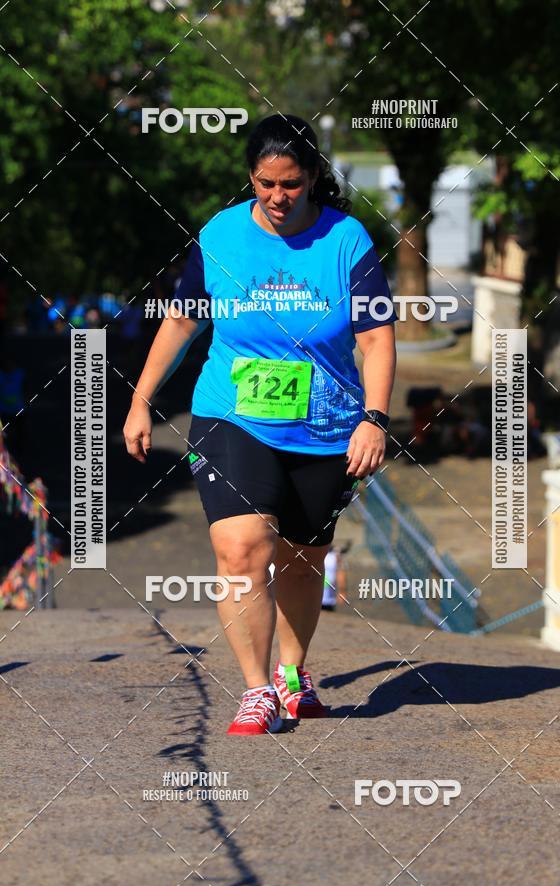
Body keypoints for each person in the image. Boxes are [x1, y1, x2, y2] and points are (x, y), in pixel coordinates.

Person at [123, 114, 397, 735]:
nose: (277, 197)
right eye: (264, 183)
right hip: (231, 415)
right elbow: (180, 321)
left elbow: (377, 341)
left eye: (292, 185)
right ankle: (254, 689)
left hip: (325, 426)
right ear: (250, 178)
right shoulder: (220, 234)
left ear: (313, 179)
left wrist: (375, 420)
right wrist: (141, 401)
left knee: (304, 560)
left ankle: (292, 674)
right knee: (242, 549)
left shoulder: (347, 241)